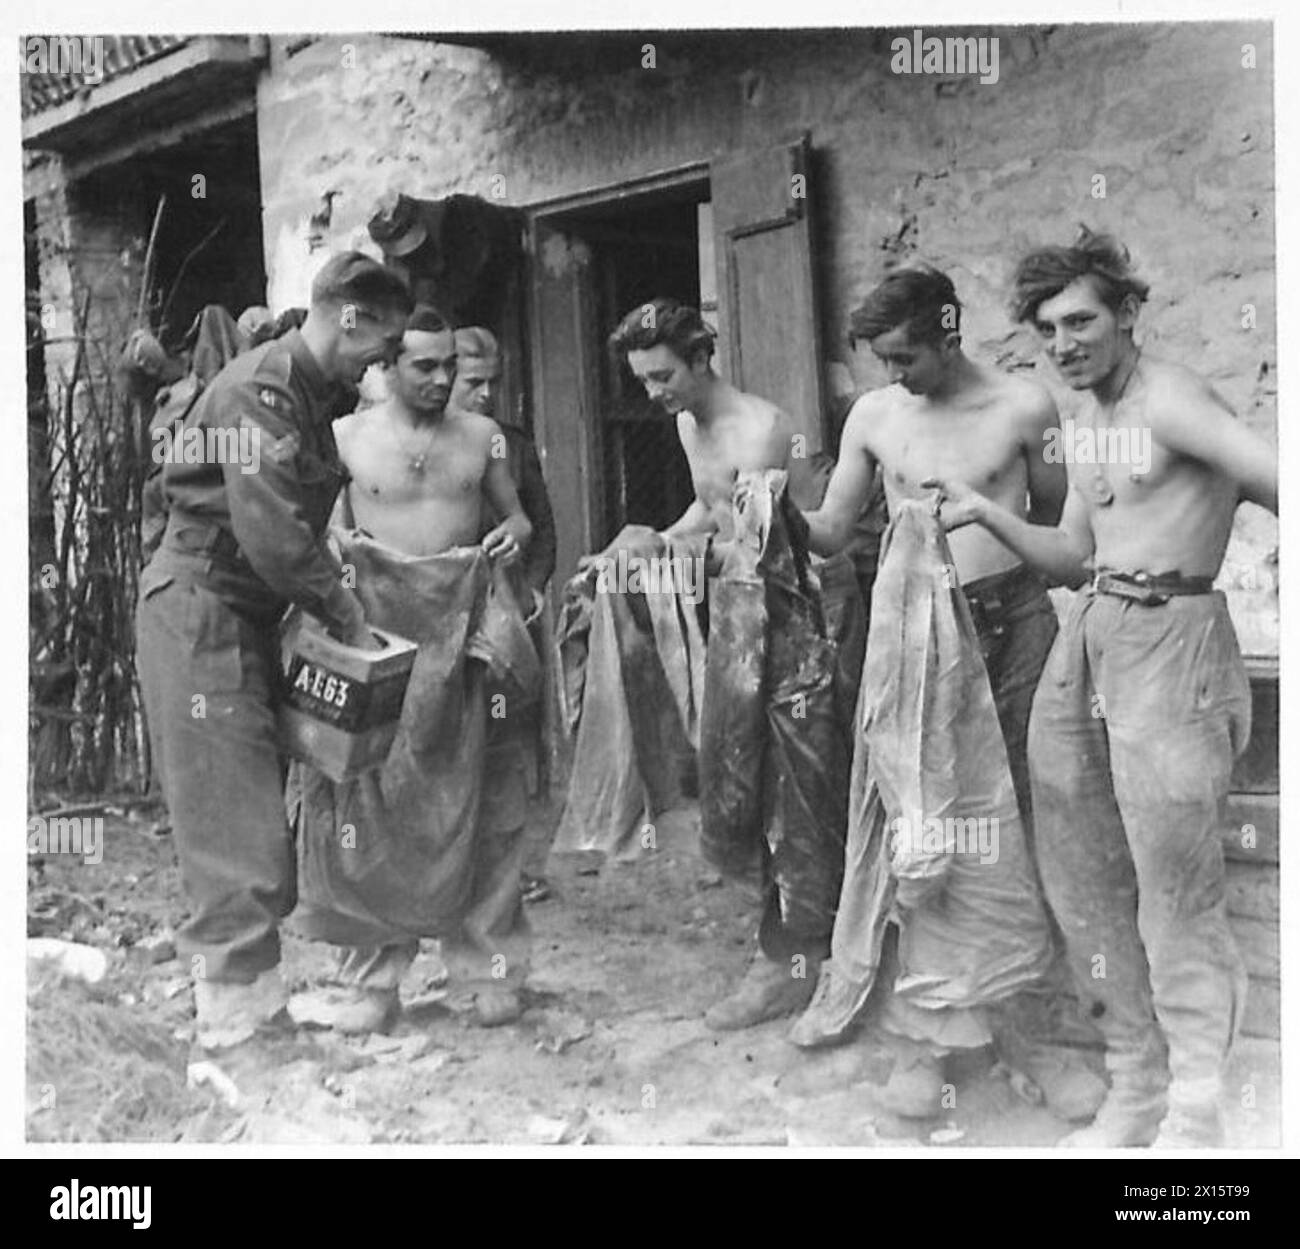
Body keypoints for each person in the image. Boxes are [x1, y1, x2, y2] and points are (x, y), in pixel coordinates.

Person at [924, 229, 1277, 1146]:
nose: (1064, 342)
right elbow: (1076, 556)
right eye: (1047, 330)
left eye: (1081, 320)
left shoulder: (1173, 400)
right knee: (1079, 876)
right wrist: (987, 512)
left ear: (1127, 313)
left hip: (1175, 641)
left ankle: (1197, 1114)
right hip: (1088, 639)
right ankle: (1134, 1084)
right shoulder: (1085, 422)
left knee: (1175, 888)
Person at [790, 263, 1070, 1117]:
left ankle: (1029, 1025)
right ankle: (933, 1036)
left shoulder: (1027, 407)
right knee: (923, 821)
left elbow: (1056, 526)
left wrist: (986, 517)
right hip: (916, 638)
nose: (893, 375)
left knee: (1020, 815)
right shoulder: (874, 416)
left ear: (949, 329)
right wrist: (774, 513)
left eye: (905, 355)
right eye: (881, 359)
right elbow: (834, 533)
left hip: (1013, 627)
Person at [557, 297, 863, 1032]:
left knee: (809, 781)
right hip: (747, 604)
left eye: (663, 376)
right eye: (642, 381)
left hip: (809, 606)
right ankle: (795, 947)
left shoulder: (763, 429)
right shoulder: (687, 422)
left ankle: (806, 957)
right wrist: (643, 545)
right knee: (749, 777)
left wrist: (672, 560)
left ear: (701, 359)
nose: (654, 394)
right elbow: (710, 514)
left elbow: (779, 544)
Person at [136, 252, 412, 1052]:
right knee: (232, 820)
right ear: (347, 317)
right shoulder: (261, 390)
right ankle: (234, 1027)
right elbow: (269, 531)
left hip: (241, 610)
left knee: (254, 814)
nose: (384, 366)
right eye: (383, 345)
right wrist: (342, 606)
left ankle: (253, 1009)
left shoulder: (303, 394)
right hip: (202, 609)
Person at [288, 304, 536, 1030]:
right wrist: (335, 553)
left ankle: (484, 968)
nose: (441, 378)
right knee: (366, 803)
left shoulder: (484, 439)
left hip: (460, 640)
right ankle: (371, 980)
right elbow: (323, 529)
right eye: (424, 365)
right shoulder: (343, 439)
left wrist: (512, 538)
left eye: (449, 365)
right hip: (376, 640)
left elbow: (517, 517)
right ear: (387, 366)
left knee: (483, 804)